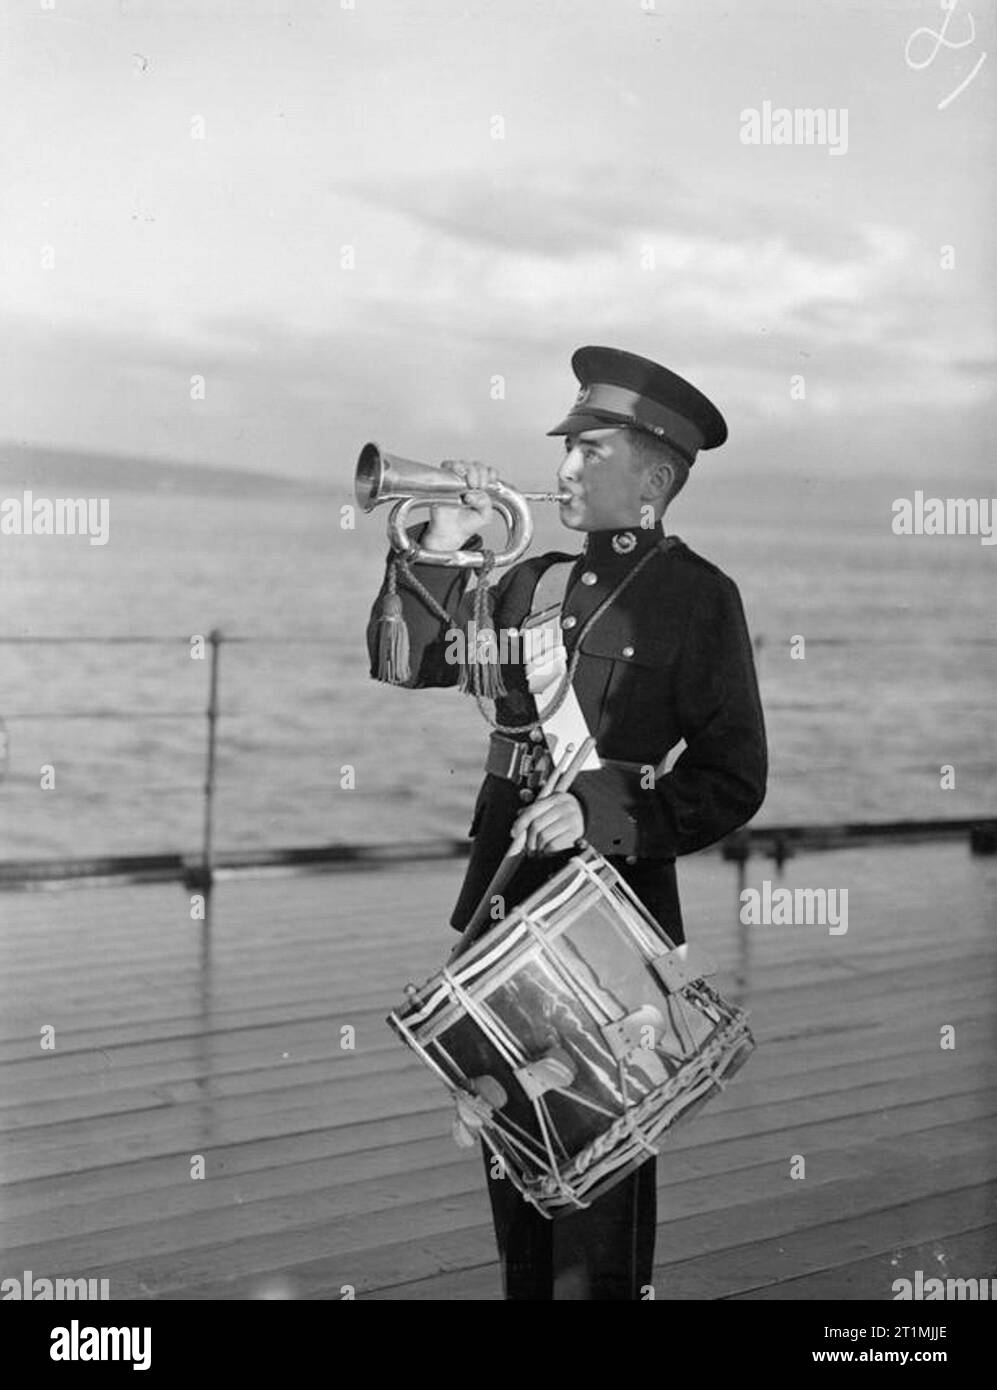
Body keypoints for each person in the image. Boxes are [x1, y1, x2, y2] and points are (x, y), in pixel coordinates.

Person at [366, 345, 767, 1299]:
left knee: (599, 1160)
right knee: (511, 1141)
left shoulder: (699, 597)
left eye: (591, 452)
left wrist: (599, 811)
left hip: (612, 901)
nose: (563, 471)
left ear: (654, 479)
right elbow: (404, 661)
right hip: (506, 897)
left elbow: (732, 777)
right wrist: (430, 537)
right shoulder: (530, 581)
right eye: (567, 448)